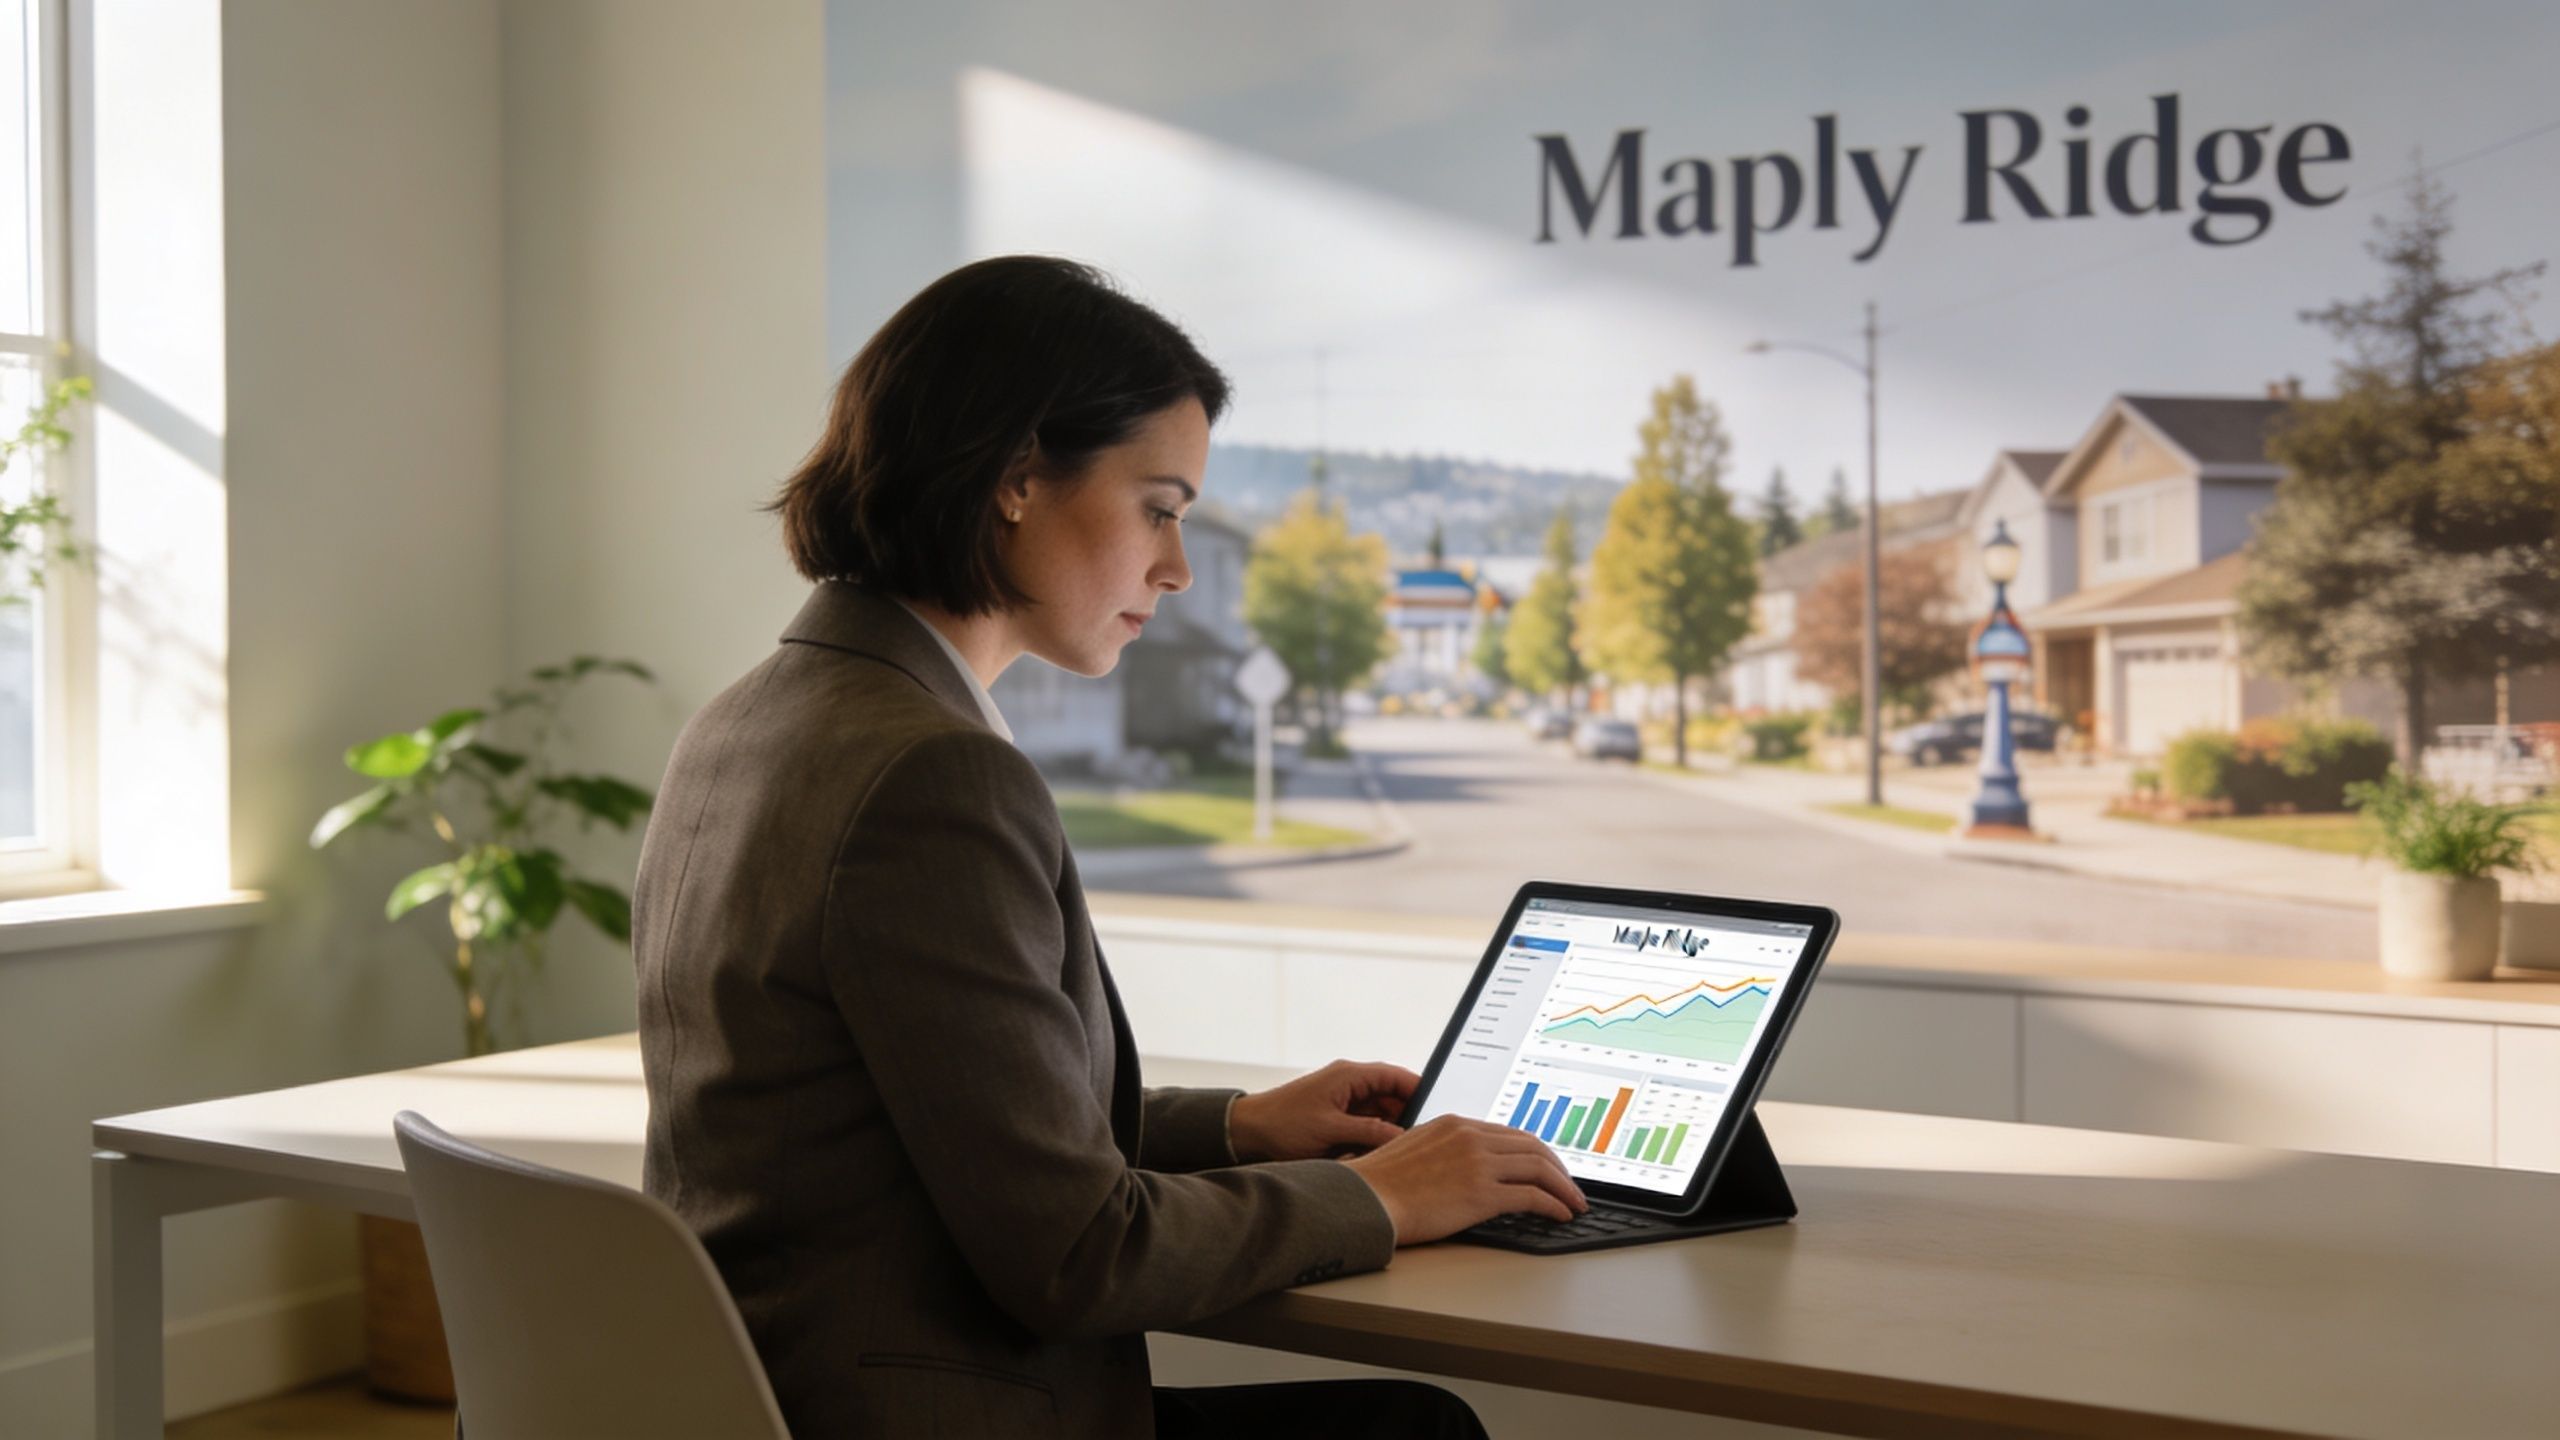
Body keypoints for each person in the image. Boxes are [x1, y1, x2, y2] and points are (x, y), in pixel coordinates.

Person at [632, 255, 1586, 1439]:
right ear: (1017, 477)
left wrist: (1240, 1128)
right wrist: (1379, 1197)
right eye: (1159, 509)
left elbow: (946, 1118)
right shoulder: (931, 776)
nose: (1175, 569)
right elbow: (1080, 1257)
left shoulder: (747, 720)